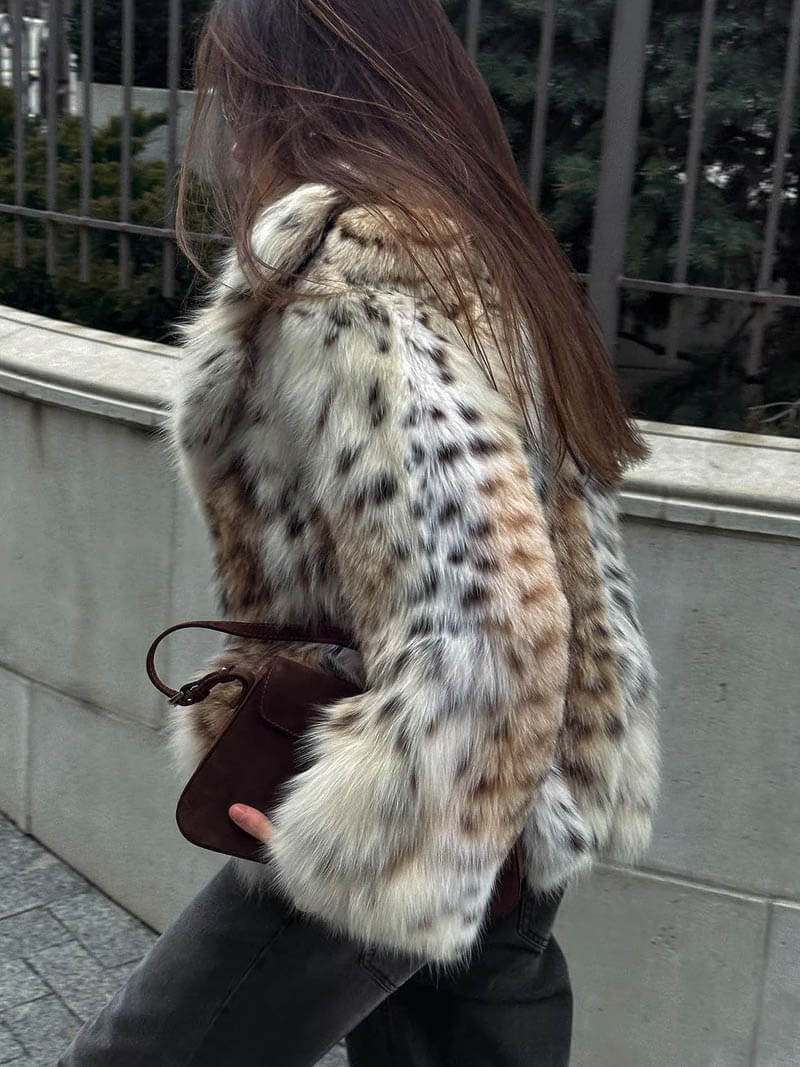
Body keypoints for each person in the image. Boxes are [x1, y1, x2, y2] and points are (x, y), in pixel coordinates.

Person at [60, 0, 659, 1063]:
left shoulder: (348, 284)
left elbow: (492, 620)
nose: (227, 130)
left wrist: (365, 844)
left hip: (412, 804)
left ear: (292, 96)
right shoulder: (484, 256)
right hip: (518, 800)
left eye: (236, 93)